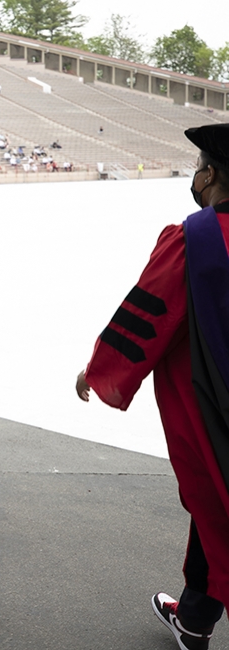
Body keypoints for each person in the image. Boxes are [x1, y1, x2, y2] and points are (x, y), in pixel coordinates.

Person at [76, 123, 229, 650]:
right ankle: (193, 618)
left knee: (219, 504)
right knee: (216, 513)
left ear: (209, 175)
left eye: (196, 168)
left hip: (214, 411)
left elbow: (148, 316)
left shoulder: (196, 239)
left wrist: (98, 369)